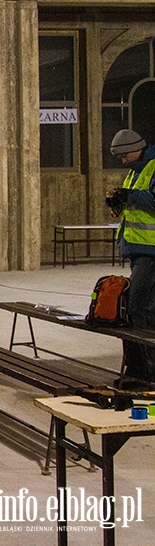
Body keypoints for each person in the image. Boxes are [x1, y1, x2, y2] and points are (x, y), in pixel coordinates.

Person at [106, 129, 155, 386]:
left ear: (136, 148)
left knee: (137, 308)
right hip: (138, 249)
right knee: (138, 308)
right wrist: (117, 202)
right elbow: (133, 208)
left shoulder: (153, 167)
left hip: (151, 251)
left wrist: (131, 195)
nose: (123, 161)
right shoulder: (135, 171)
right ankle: (140, 370)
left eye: (124, 156)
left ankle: (143, 372)